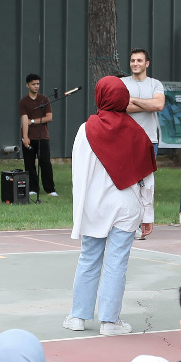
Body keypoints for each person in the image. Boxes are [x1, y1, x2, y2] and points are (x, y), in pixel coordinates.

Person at [65, 77, 156, 337]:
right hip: (127, 206)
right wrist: (147, 213)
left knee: (88, 259)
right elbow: (146, 178)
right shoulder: (137, 132)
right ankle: (109, 322)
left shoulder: (86, 129)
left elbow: (78, 174)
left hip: (94, 206)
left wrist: (79, 211)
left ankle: (78, 317)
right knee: (117, 263)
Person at [122, 49, 165, 239]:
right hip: (125, 140)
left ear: (147, 63)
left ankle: (144, 221)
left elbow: (158, 105)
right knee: (127, 183)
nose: (135, 63)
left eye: (139, 60)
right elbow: (122, 106)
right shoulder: (122, 83)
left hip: (149, 141)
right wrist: (144, 104)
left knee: (145, 183)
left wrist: (134, 100)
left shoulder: (155, 84)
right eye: (132, 60)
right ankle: (127, 224)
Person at [18, 73, 57, 199]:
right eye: (33, 84)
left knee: (45, 163)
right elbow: (24, 120)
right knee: (29, 164)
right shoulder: (23, 102)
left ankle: (50, 189)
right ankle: (33, 188)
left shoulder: (44, 99)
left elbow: (49, 117)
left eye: (38, 84)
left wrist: (33, 121)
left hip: (43, 137)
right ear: (27, 85)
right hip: (29, 137)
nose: (36, 86)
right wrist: (25, 137)